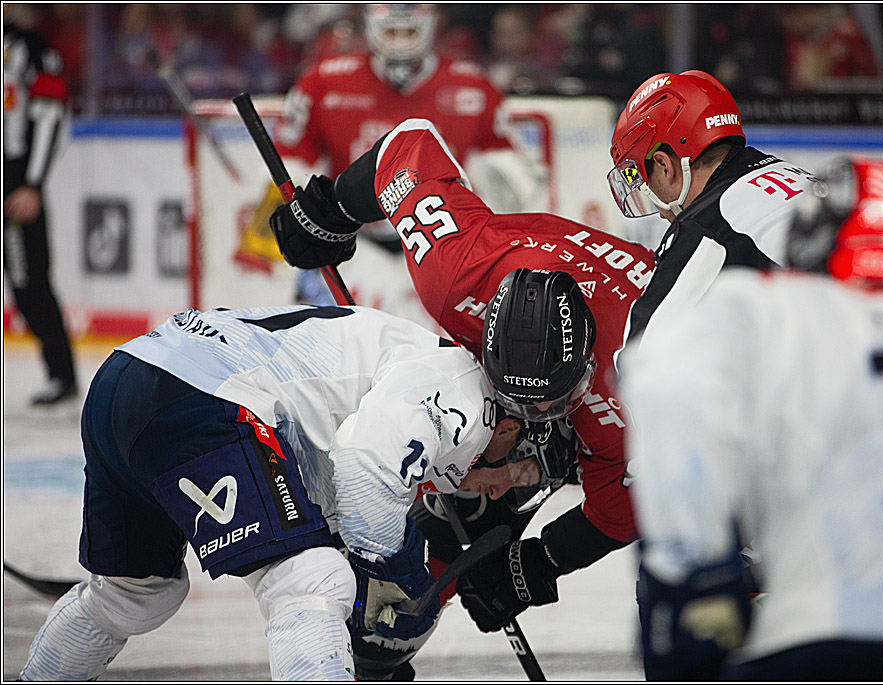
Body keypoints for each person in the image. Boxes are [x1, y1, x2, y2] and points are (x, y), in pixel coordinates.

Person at [266, 117, 657, 677]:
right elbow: (405, 147)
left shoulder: (634, 384)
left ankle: (377, 646)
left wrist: (534, 564)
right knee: (444, 516)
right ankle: (374, 653)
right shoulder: (457, 273)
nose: (531, 417)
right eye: (513, 401)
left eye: (547, 405)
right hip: (518, 362)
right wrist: (332, 210)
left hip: (620, 389)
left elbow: (619, 514)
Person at [620, 157, 883, 680]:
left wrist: (695, 576)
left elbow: (659, 376)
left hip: (839, 637)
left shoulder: (776, 309)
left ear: (807, 244)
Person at [18, 302, 557, 681]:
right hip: (196, 398)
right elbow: (365, 468)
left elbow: (342, 476)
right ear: (509, 428)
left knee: (132, 592)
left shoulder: (411, 361)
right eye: (518, 474)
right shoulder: (467, 393)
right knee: (309, 583)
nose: (500, 487)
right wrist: (398, 573)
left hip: (125, 380)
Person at [268, 2, 542, 314]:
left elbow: (512, 182)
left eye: (408, 29)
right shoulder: (321, 83)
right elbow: (291, 169)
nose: (400, 38)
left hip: (443, 253)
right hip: (355, 251)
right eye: (392, 29)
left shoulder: (475, 86)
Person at [606, 69, 818, 343]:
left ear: (663, 165)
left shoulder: (706, 226)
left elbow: (640, 358)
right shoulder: (789, 172)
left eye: (648, 182)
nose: (660, 212)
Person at [3, 3, 78, 407]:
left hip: (14, 181)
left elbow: (50, 115)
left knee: (29, 283)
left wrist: (32, 183)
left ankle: (62, 375)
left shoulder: (32, 49)